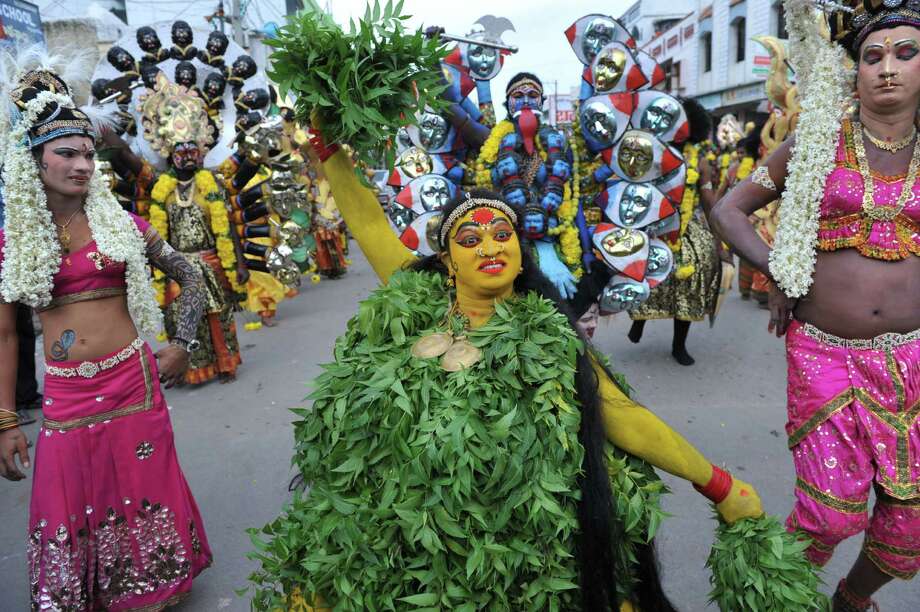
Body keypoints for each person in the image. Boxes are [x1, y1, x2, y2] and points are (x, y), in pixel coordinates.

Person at [248, 126, 765, 610]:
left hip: (521, 557)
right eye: (470, 240)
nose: (490, 246)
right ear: (447, 261)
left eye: (501, 234)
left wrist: (719, 485)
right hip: (409, 547)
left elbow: (620, 414)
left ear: (520, 252)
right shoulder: (416, 300)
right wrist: (327, 146)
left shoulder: (550, 336)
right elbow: (367, 224)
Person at [712, 2, 920, 609]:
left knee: (908, 533)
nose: (887, 68)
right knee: (829, 516)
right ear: (854, 71)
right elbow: (729, 210)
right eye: (872, 56)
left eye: (906, 54)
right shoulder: (817, 143)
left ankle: (849, 602)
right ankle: (775, 599)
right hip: (825, 353)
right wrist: (779, 267)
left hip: (913, 362)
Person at [0, 61, 211, 609]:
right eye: (67, 153)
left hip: (133, 381)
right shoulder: (13, 244)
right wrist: (5, 420)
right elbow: (4, 335)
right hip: (66, 392)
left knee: (144, 482)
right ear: (34, 160)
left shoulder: (124, 226)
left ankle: (153, 585)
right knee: (69, 494)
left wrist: (182, 344)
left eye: (89, 154)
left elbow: (191, 276)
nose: (82, 165)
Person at [627, 100, 721, 365]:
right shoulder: (652, 156)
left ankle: (679, 345)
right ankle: (640, 318)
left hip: (688, 227)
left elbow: (708, 201)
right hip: (654, 224)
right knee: (647, 270)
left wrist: (720, 239)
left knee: (694, 272)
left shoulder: (700, 162)